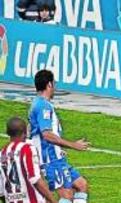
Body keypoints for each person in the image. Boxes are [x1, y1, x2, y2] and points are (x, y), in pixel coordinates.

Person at [28, 69, 90, 203]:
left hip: (56, 157)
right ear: (49, 84)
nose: (55, 87)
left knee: (81, 185)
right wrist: (73, 145)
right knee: (66, 195)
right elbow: (47, 135)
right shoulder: (43, 106)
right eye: (54, 83)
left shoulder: (39, 104)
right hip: (50, 161)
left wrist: (58, 150)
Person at [0, 117, 57, 203]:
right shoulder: (27, 149)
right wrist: (53, 200)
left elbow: (1, 189)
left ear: (8, 133)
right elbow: (35, 179)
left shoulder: (2, 153)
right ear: (25, 132)